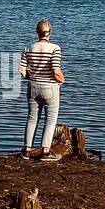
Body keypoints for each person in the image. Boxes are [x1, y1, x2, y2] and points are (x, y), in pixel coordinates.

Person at [19, 19, 65, 160]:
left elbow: (21, 70)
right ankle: (45, 152)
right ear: (50, 32)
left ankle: (27, 150)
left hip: (33, 87)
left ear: (37, 32)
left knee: (32, 118)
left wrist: (31, 76)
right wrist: (62, 80)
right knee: (50, 120)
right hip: (50, 88)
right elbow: (56, 70)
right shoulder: (55, 48)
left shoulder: (28, 48)